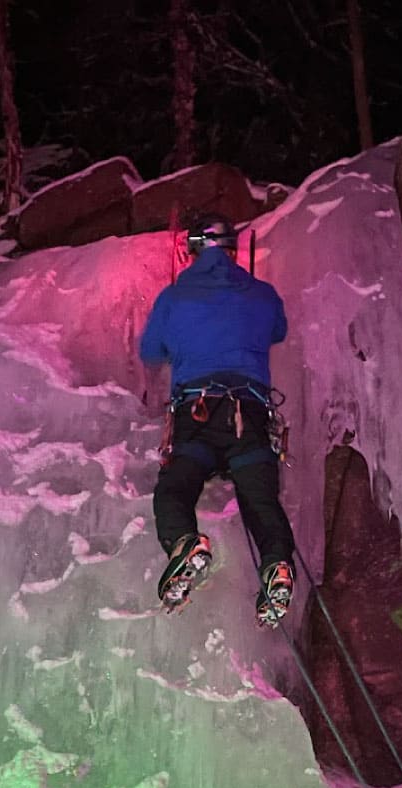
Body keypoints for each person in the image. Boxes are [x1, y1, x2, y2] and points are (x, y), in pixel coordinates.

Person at [139, 212, 296, 627]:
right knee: (261, 501)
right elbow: (277, 330)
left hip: (198, 415)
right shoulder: (262, 294)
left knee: (175, 489)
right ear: (232, 249)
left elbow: (151, 351)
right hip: (251, 416)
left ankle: (185, 545)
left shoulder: (175, 297)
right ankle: (277, 565)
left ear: (192, 250)